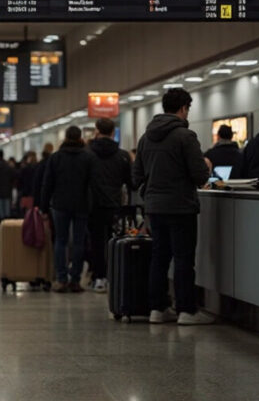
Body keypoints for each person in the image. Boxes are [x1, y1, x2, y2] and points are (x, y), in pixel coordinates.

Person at [133, 88, 214, 325]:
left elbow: (136, 175)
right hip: (181, 206)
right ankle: (186, 311)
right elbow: (200, 175)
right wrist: (206, 167)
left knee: (159, 257)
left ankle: (158, 309)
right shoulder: (185, 136)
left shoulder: (146, 137)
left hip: (155, 208)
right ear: (183, 108)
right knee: (183, 259)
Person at [40, 126, 96, 293]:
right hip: (82, 205)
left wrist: (43, 207)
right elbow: (93, 184)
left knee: (61, 241)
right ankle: (76, 280)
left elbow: (47, 183)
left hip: (60, 205)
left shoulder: (55, 158)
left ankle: (62, 279)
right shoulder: (88, 157)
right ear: (80, 138)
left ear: (65, 137)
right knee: (79, 242)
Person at [87, 118, 132, 293]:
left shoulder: (88, 154)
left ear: (97, 131)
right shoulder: (122, 155)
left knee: (96, 241)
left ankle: (99, 277)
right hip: (115, 204)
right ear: (113, 132)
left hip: (93, 204)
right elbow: (130, 181)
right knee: (113, 240)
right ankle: (115, 275)